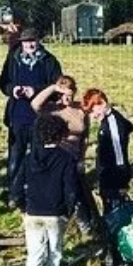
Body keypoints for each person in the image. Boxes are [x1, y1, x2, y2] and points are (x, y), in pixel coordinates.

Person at [0, 28, 62, 210]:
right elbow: (3, 82)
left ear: (38, 40)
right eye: (26, 42)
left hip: (40, 119)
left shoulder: (49, 61)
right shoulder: (13, 59)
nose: (29, 45)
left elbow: (56, 86)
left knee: (37, 157)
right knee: (15, 158)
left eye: (32, 41)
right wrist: (14, 90)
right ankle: (14, 195)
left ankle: (35, 194)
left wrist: (36, 91)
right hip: (17, 117)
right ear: (21, 43)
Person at [22, 114, 79, 266]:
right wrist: (70, 210)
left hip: (32, 212)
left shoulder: (30, 157)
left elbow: (20, 183)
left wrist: (23, 206)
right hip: (55, 213)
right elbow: (70, 188)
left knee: (34, 254)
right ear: (60, 134)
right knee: (54, 252)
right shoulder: (65, 158)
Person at [31, 75, 97, 234]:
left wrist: (82, 156)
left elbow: (85, 135)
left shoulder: (80, 110)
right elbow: (34, 104)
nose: (67, 98)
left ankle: (86, 220)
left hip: (74, 156)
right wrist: (53, 88)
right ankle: (68, 218)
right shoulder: (53, 109)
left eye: (70, 94)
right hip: (58, 155)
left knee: (79, 188)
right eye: (63, 94)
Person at [82, 88, 133, 215]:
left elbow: (119, 156)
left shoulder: (113, 124)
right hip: (107, 177)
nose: (93, 116)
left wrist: (122, 183)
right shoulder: (106, 121)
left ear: (103, 103)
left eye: (94, 110)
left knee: (115, 215)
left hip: (114, 180)